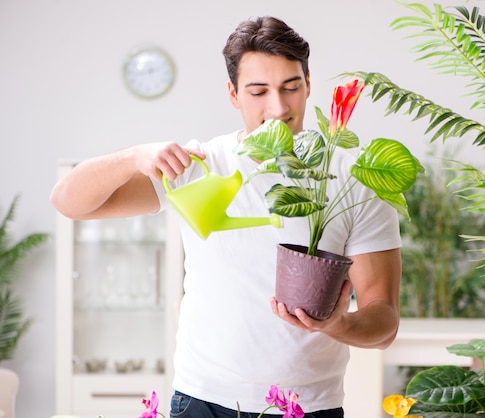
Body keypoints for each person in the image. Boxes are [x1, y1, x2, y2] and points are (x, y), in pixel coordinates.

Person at [50, 16, 401, 418]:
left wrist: (336, 324)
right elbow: (68, 201)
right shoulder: (199, 165)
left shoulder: (356, 180)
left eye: (291, 87)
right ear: (233, 94)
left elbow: (384, 321)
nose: (278, 107)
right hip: (202, 401)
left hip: (308, 408)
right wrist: (134, 156)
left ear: (308, 83)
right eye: (258, 92)